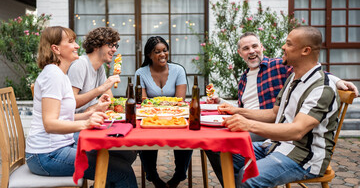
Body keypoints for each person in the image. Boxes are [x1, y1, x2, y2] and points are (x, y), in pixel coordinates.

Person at [207, 31, 359, 186]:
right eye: (246, 48)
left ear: (305, 51)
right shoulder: (293, 78)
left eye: (288, 43)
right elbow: (275, 113)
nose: (282, 47)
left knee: (247, 177)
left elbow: (297, 131)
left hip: (303, 156)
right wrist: (237, 111)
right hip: (276, 144)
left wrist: (338, 80)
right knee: (220, 149)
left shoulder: (321, 88)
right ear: (240, 53)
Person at [25, 26, 137, 188]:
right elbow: (49, 124)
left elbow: (64, 117)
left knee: (122, 155)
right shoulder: (53, 75)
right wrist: (86, 123)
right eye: (71, 42)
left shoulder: (59, 74)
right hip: (46, 155)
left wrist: (89, 115)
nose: (77, 46)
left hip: (61, 146)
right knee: (122, 171)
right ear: (55, 49)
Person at [134, 36, 192, 188]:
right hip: (150, 118)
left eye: (165, 50)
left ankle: (179, 176)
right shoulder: (140, 73)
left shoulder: (178, 70)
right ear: (149, 55)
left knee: (186, 137)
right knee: (145, 137)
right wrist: (165, 104)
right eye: (157, 51)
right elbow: (143, 102)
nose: (162, 54)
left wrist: (158, 104)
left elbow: (180, 100)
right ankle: (153, 176)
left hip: (175, 117)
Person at [67, 26, 121, 113]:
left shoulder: (100, 68)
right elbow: (71, 102)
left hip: (91, 117)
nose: (114, 49)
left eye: (115, 46)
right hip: (77, 121)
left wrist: (93, 108)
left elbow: (109, 96)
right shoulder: (80, 64)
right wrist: (101, 88)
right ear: (96, 46)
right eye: (110, 45)